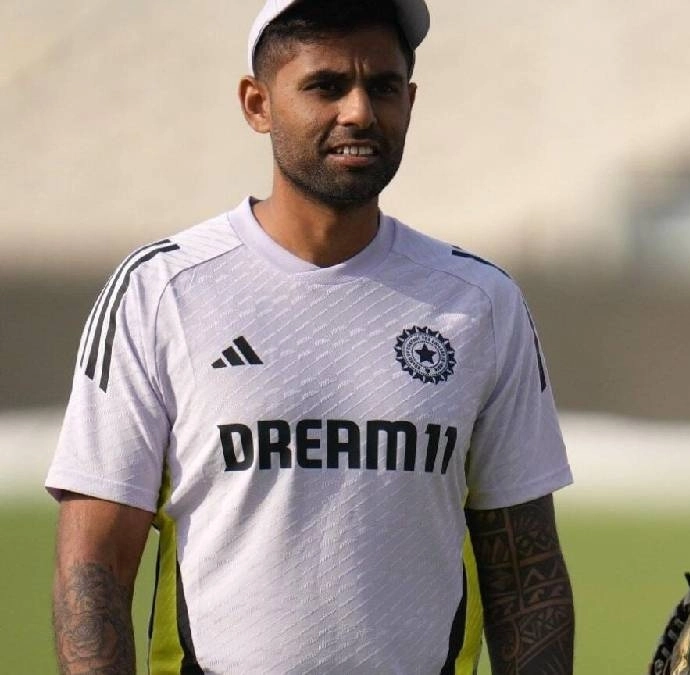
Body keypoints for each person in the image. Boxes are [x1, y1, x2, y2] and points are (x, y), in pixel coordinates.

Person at [46, 1, 575, 673]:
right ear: (257, 104)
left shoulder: (480, 301)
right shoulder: (161, 291)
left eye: (382, 86)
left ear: (410, 102)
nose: (359, 112)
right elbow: (92, 566)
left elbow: (527, 579)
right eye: (326, 86)